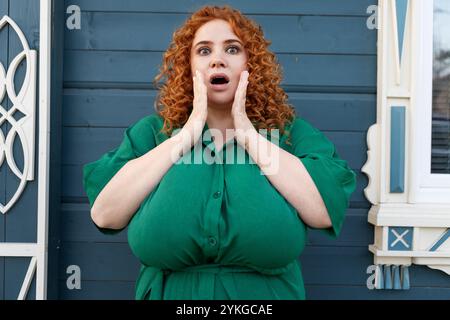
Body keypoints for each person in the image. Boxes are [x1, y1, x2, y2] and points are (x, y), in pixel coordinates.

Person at [82, 5, 357, 300]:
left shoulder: (289, 135)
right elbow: (105, 214)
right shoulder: (152, 135)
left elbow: (323, 212)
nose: (217, 60)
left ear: (252, 64)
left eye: (232, 49)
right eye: (203, 51)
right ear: (188, 68)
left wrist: (248, 133)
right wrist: (186, 134)